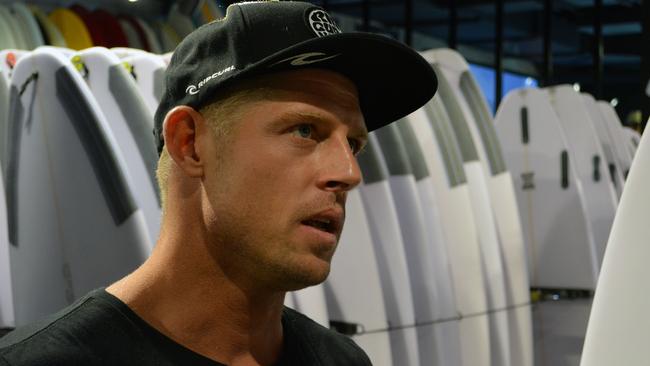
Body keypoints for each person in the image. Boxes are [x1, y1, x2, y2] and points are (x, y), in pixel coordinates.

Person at [0, 1, 437, 365]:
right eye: (305, 130)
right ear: (189, 144)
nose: (349, 173)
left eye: (354, 143)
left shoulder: (342, 361)